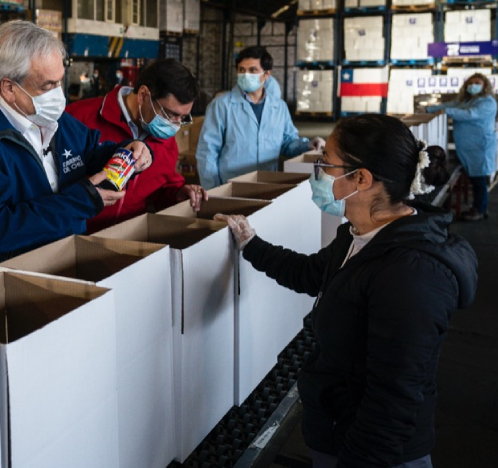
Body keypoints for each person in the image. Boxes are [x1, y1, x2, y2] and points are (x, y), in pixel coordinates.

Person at [216, 114, 477, 468]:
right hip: (336, 430)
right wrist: (250, 243)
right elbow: (311, 274)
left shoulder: (410, 275)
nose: (319, 172)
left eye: (327, 164)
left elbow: (393, 400)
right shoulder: (359, 234)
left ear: (362, 178)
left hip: (371, 452)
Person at [0, 21, 153, 285]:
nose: (58, 95)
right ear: (9, 89)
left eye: (60, 82)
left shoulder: (59, 122)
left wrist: (129, 151)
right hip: (7, 284)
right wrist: (80, 200)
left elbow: (94, 152)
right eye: (47, 86)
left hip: (64, 266)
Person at [66, 59, 207, 233]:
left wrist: (177, 193)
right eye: (171, 114)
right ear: (143, 95)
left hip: (130, 238)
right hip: (76, 238)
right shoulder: (78, 118)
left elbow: (162, 184)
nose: (175, 125)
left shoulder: (165, 140)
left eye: (183, 117)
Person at [197, 46, 324, 188]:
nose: (245, 75)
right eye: (241, 70)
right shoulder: (221, 106)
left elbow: (287, 142)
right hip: (230, 185)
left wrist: (307, 145)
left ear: (266, 74)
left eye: (252, 70)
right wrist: (212, 189)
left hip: (267, 182)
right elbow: (207, 152)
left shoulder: (279, 107)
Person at [426, 73, 497, 221]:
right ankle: (480, 208)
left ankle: (479, 210)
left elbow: (471, 114)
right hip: (469, 148)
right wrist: (430, 109)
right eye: (470, 83)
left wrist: (447, 112)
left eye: (477, 82)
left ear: (484, 85)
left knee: (479, 180)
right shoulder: (467, 100)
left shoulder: (487, 102)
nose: (473, 86)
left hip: (480, 147)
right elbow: (449, 105)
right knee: (475, 178)